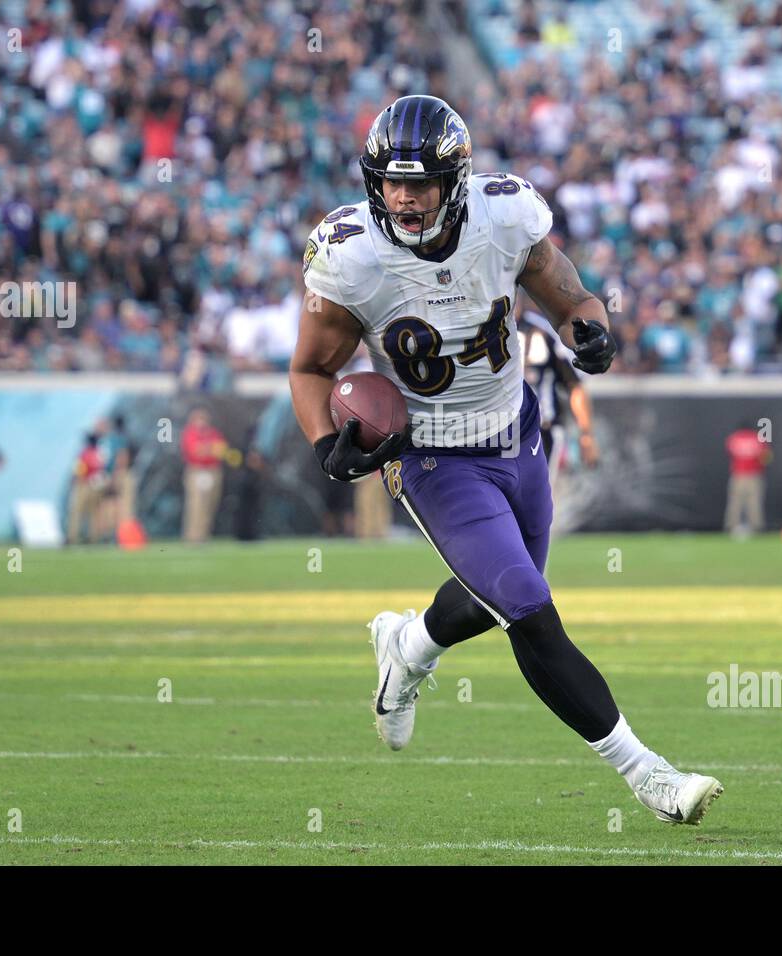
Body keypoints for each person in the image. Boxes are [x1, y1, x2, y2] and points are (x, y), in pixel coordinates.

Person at [289, 95, 721, 826]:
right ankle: (647, 774)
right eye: (391, 182)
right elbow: (309, 371)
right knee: (527, 606)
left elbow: (573, 298)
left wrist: (592, 334)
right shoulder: (350, 253)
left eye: (419, 183)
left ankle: (407, 645)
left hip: (517, 438)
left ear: (454, 180)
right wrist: (324, 445)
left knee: (499, 596)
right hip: (431, 459)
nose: (402, 196)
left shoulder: (507, 215)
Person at [516, 302, 599, 482]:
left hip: (541, 430)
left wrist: (586, 435)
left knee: (535, 500)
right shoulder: (476, 332)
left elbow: (574, 385)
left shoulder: (542, 332)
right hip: (492, 431)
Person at [181, 407, 227, 542]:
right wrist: (209, 449)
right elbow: (194, 451)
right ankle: (193, 536)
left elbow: (220, 450)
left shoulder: (213, 433)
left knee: (210, 505)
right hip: (196, 471)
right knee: (196, 505)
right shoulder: (190, 433)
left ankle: (204, 535)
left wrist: (207, 449)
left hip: (212, 471)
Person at [724, 420, 771, 536]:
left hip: (738, 475)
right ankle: (757, 527)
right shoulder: (758, 439)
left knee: (735, 502)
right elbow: (766, 457)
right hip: (754, 475)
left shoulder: (733, 438)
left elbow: (729, 453)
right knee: (754, 502)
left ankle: (731, 526)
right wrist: (761, 466)